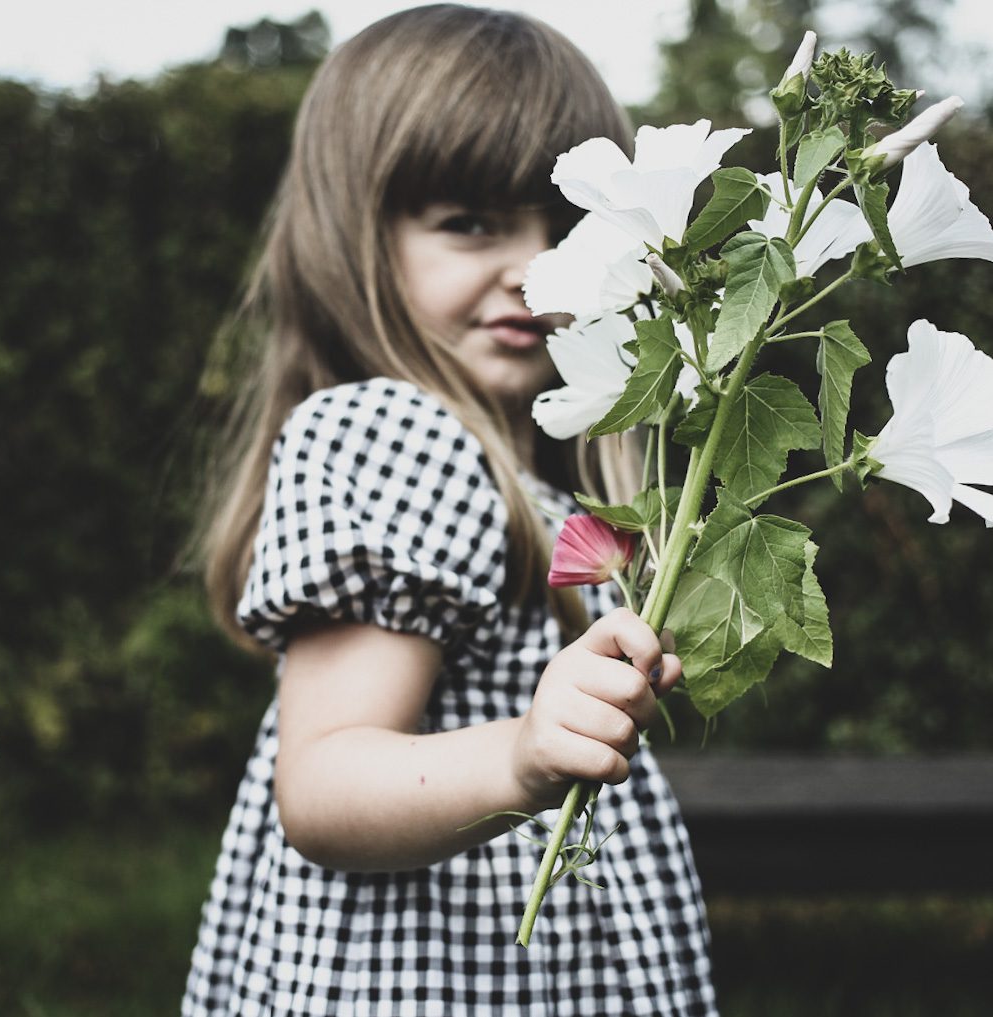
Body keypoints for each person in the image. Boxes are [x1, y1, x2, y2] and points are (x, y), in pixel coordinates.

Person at [182, 6, 718, 1015]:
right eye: (470, 222)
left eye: (564, 228)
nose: (530, 265)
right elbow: (328, 787)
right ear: (355, 237)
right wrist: (521, 755)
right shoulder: (397, 435)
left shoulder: (533, 472)